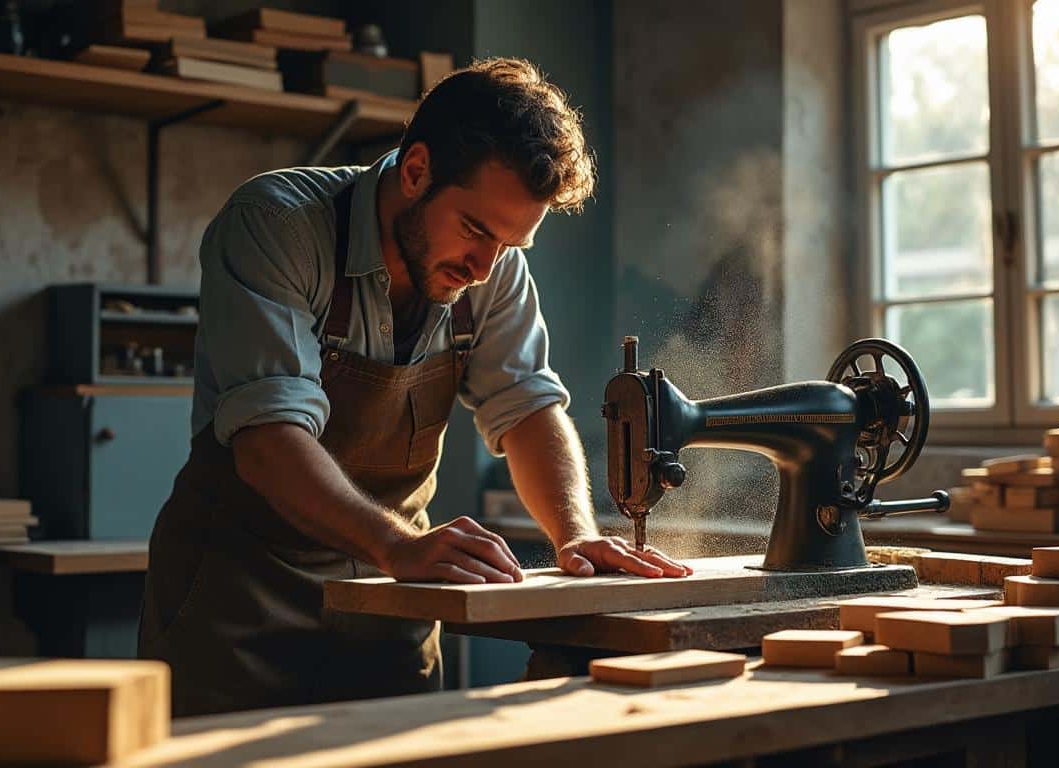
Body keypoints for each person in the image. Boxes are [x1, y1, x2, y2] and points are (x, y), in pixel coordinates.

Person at [138, 57, 693, 717]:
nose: (486, 269)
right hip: (237, 605)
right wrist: (397, 545)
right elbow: (267, 439)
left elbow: (529, 410)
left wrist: (574, 534)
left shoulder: (492, 270)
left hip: (386, 606)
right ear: (416, 170)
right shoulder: (277, 225)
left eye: (510, 246)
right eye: (476, 231)